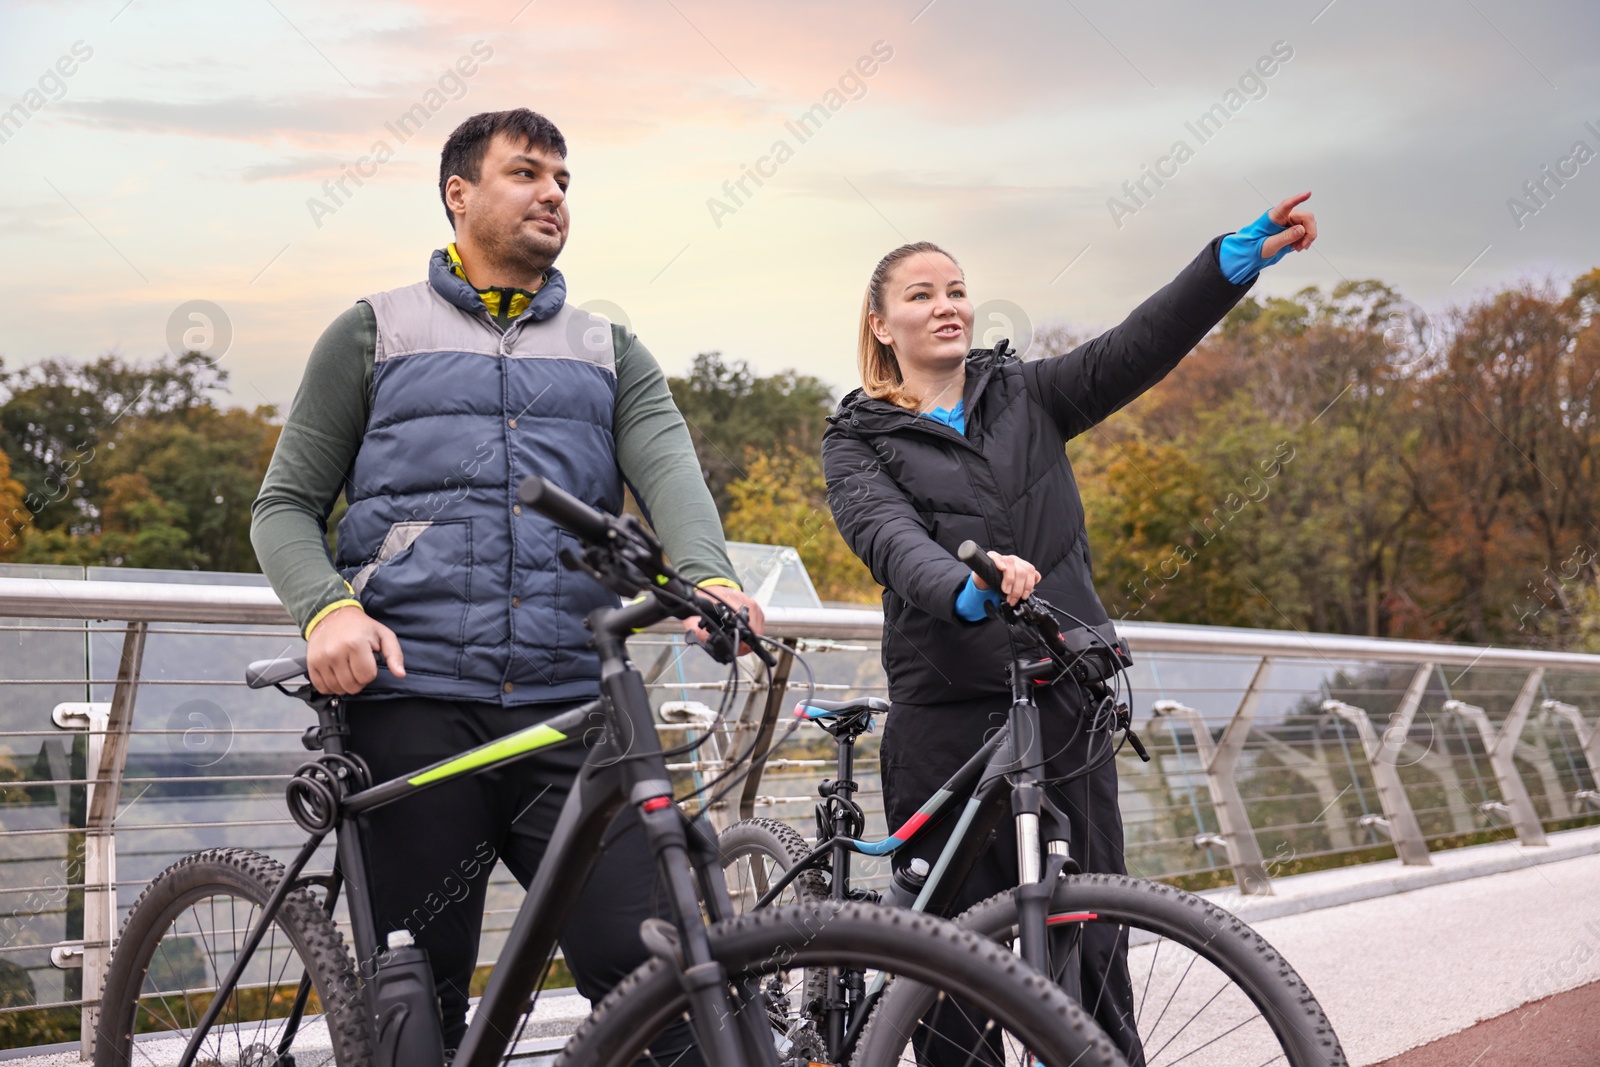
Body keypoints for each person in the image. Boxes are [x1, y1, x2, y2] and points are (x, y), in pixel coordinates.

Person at [249, 108, 763, 1055]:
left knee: (667, 984)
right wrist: (329, 606)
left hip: (571, 709)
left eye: (564, 179)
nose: (553, 194)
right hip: (413, 706)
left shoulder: (612, 350)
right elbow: (282, 507)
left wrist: (711, 578)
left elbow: (674, 479)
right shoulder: (372, 331)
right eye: (527, 173)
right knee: (419, 1009)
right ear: (459, 194)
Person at [821, 194, 1317, 1060]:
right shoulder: (857, 438)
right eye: (921, 294)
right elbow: (887, 539)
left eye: (957, 290)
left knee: (1091, 940)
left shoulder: (1028, 394)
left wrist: (1227, 264)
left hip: (1066, 698)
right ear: (880, 321)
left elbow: (1137, 346)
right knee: (951, 969)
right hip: (948, 715)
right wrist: (965, 587)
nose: (946, 305)